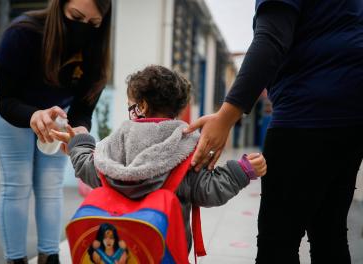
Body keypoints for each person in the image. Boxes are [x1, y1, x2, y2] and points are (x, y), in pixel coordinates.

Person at [184, 0, 363, 263]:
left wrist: (226, 116)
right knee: (329, 232)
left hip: (305, 113)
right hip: (352, 116)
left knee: (277, 242)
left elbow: (272, 38)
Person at [50, 65, 267, 253]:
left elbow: (91, 170)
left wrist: (78, 145)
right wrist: (242, 171)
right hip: (168, 249)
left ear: (141, 106)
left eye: (130, 104)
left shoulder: (119, 140)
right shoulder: (186, 144)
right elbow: (208, 191)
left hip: (122, 248)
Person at [0, 0, 112, 263]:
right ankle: (16, 259)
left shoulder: (96, 51)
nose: (84, 29)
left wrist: (79, 130)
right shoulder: (23, 33)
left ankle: (50, 256)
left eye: (94, 23)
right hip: (12, 108)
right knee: (17, 184)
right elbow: (6, 100)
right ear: (59, 6)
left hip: (58, 113)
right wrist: (33, 115)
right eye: (76, 17)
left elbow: (83, 109)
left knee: (50, 185)